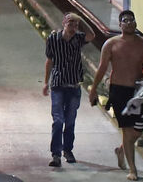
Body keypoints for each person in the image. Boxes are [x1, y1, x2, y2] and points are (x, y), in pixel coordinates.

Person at [89, 10, 143, 181]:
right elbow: (102, 68)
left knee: (137, 132)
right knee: (127, 131)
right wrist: (93, 89)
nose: (130, 23)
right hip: (118, 91)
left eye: (132, 20)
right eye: (126, 20)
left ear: (136, 23)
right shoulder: (111, 44)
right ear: (120, 24)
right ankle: (133, 170)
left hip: (137, 92)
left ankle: (121, 150)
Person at [44, 13, 95, 168]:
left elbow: (91, 35)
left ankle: (68, 150)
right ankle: (56, 154)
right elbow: (49, 61)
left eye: (76, 25)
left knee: (70, 121)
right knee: (58, 120)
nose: (73, 27)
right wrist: (46, 82)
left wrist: (81, 19)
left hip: (73, 86)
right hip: (58, 85)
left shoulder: (78, 38)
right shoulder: (53, 39)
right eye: (70, 23)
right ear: (64, 23)